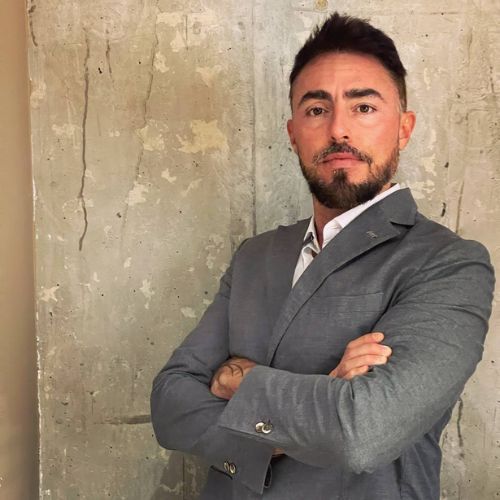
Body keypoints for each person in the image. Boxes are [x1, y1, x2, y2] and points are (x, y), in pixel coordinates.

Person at [151, 12, 494, 500]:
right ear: (293, 133)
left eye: (364, 107)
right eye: (316, 109)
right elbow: (169, 403)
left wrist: (236, 380)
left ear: (404, 128)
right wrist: (316, 404)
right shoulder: (256, 255)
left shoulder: (449, 263)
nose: (338, 130)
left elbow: (362, 431)